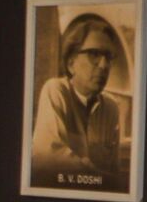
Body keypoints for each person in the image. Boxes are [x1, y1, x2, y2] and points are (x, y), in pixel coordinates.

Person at [29, 11, 131, 191]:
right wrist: (104, 180)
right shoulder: (55, 91)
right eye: (94, 54)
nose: (104, 65)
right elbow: (49, 160)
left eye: (108, 57)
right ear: (71, 63)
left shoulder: (111, 108)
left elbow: (113, 173)